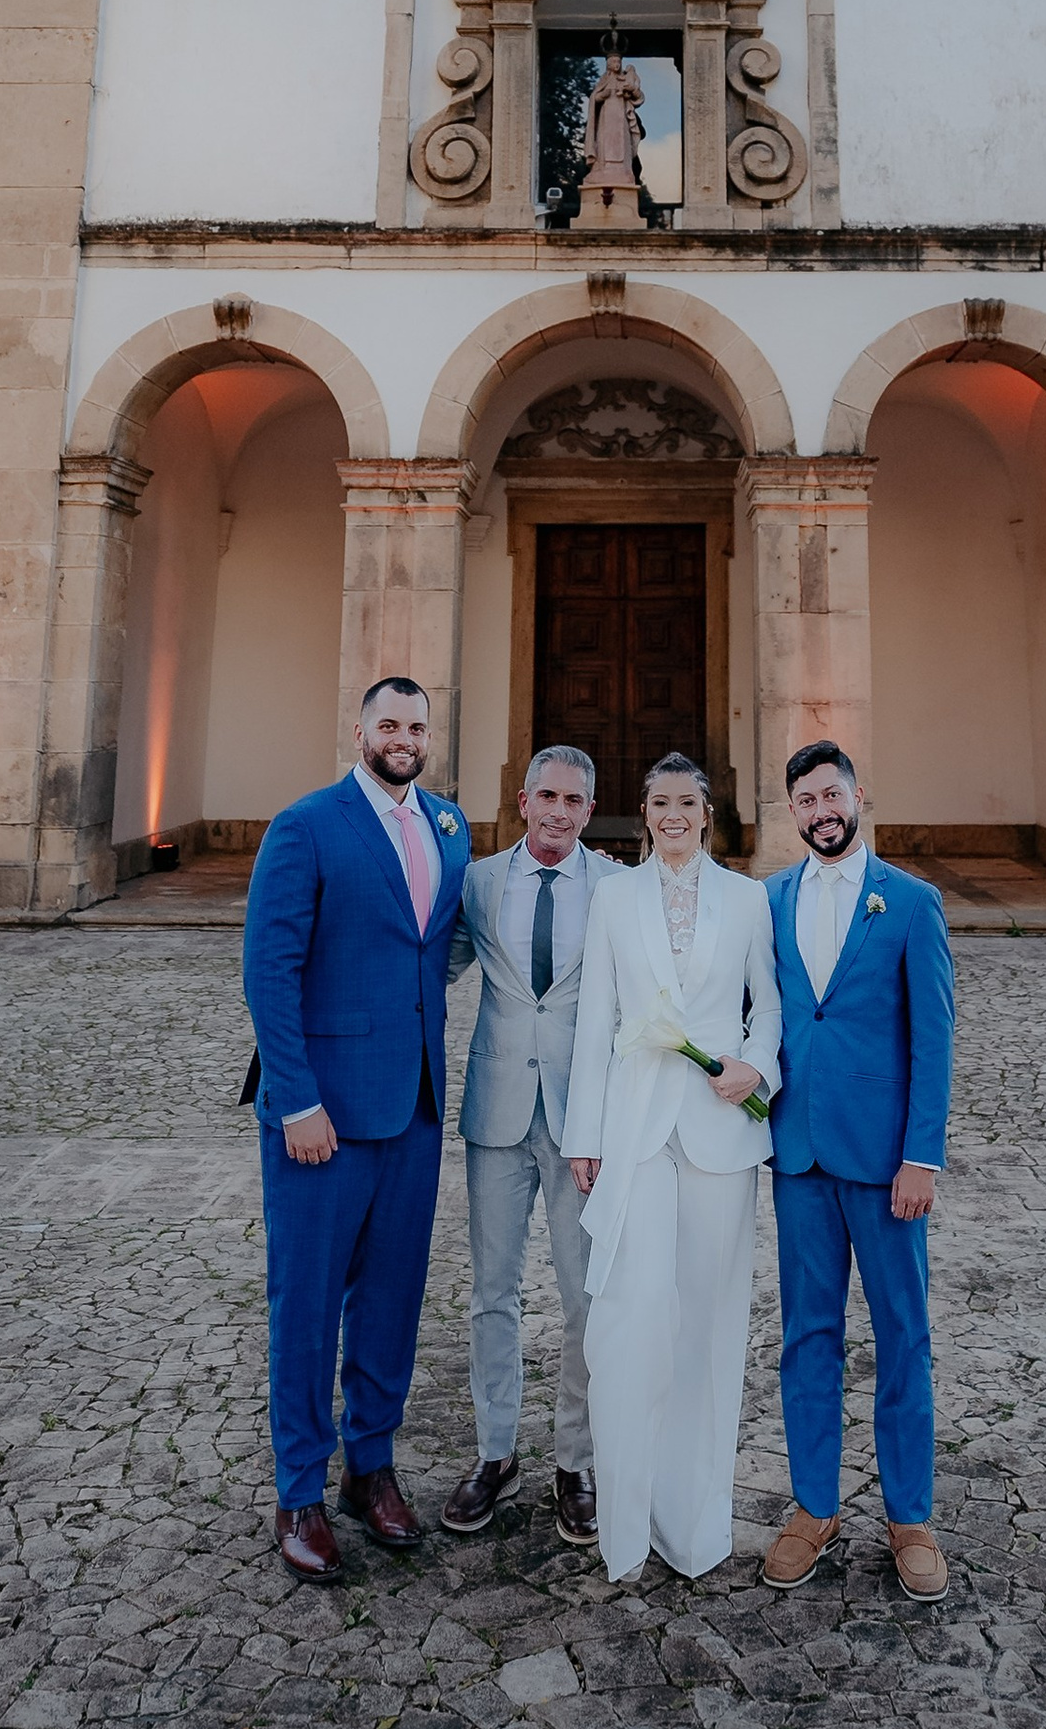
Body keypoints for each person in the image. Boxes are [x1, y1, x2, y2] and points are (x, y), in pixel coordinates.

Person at [240, 676, 471, 1581]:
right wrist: (297, 1100)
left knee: (391, 1301)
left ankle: (368, 1470)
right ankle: (298, 1489)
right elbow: (271, 969)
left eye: (417, 725)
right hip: (322, 1117)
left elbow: (437, 950)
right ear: (361, 730)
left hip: (412, 1106)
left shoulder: (449, 825)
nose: (404, 738)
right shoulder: (306, 825)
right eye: (389, 724)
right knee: (304, 1305)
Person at [562, 751, 781, 1586]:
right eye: (660, 802)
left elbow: (772, 1007)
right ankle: (625, 1522)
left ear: (708, 813)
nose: (675, 814)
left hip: (722, 1133)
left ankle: (693, 1527)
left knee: (711, 1328)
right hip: (635, 1131)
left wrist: (755, 1069)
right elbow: (594, 1022)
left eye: (688, 801)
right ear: (643, 814)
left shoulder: (748, 898)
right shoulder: (614, 897)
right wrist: (588, 1133)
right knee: (631, 1319)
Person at [758, 739, 957, 1603]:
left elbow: (935, 1038)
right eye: (805, 801)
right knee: (807, 1337)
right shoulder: (766, 901)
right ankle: (813, 1507)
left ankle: (910, 1516)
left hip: (884, 1167)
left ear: (857, 796)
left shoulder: (911, 904)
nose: (820, 811)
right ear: (792, 811)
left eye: (831, 795)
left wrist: (922, 1155)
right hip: (797, 1154)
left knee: (902, 1335)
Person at [440, 742, 614, 1545]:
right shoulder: (478, 881)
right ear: (521, 799)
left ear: (588, 810)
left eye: (573, 800)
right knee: (492, 1293)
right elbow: (431, 965)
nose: (557, 811)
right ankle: (495, 1451)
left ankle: (574, 1460)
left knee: (584, 1297)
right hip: (498, 1109)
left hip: (585, 1124)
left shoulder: (616, 889)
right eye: (545, 795)